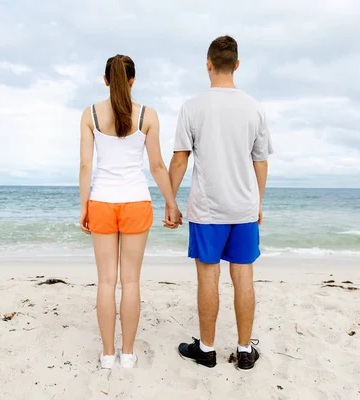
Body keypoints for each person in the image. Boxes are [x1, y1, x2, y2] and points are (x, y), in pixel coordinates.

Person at [168, 36, 273, 370]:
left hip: (208, 210)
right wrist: (257, 202)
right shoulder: (254, 107)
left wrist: (170, 203)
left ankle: (207, 349)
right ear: (237, 65)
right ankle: (244, 351)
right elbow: (260, 162)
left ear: (208, 64)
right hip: (243, 207)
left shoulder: (192, 107)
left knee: (208, 278)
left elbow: (180, 161)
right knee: (244, 278)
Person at [79, 54, 182, 370]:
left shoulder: (91, 114)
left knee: (106, 281)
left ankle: (107, 354)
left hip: (102, 202)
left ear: (106, 79)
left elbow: (86, 165)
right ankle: (128, 354)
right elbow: (157, 166)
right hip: (136, 201)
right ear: (133, 80)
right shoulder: (147, 115)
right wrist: (172, 203)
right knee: (131, 282)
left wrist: (85, 205)